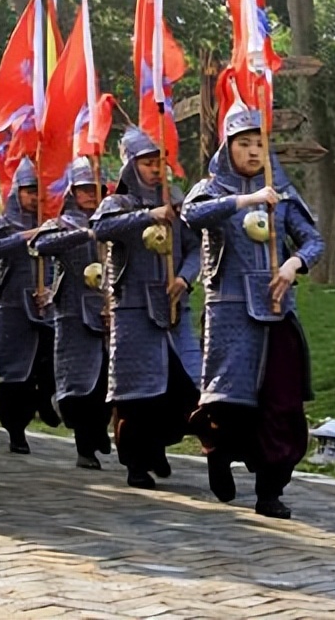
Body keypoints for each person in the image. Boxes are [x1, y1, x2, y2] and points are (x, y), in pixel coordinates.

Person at [183, 107, 324, 520]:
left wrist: (293, 264)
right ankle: (217, 455)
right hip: (229, 313)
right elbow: (192, 216)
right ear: (228, 147)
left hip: (278, 314)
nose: (252, 151)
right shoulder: (211, 188)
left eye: (259, 143)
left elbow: (313, 240)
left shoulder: (281, 193)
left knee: (281, 405)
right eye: (244, 143)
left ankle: (270, 490)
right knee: (229, 404)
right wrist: (246, 199)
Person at [92, 128, 202, 489]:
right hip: (133, 310)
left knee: (187, 387)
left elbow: (195, 248)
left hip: (172, 308)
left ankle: (158, 447)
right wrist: (148, 216)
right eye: (147, 162)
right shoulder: (118, 203)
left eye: (159, 162)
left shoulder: (179, 202)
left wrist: (185, 278)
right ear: (131, 166)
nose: (155, 169)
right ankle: (137, 463)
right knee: (137, 395)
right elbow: (102, 229)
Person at [32, 158, 112, 469]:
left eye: (96, 189)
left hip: (107, 312)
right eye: (84, 189)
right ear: (72, 192)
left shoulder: (111, 220)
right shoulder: (61, 224)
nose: (91, 195)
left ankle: (98, 431)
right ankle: (85, 446)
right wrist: (84, 235)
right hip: (73, 313)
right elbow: (42, 245)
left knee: (107, 381)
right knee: (80, 385)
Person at [0, 158, 60, 454]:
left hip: (45, 307)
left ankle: (47, 403)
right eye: (29, 191)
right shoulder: (2, 225)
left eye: (38, 191)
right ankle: (16, 431)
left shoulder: (51, 224)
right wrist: (24, 236)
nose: (34, 197)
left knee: (50, 365)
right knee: (16, 375)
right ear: (17, 192)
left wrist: (51, 290)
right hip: (12, 309)